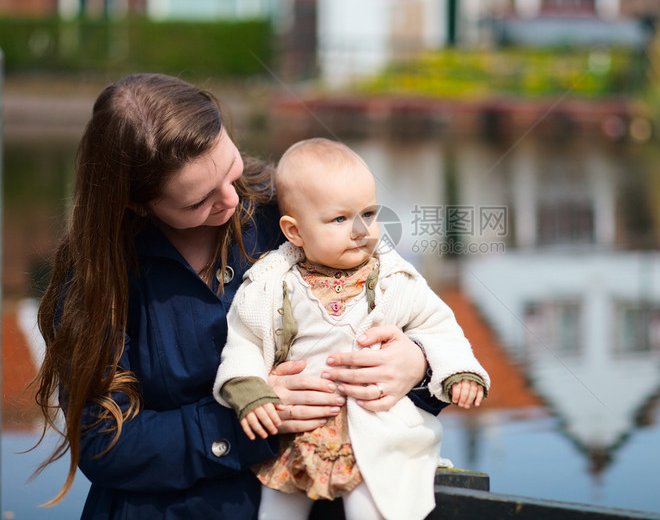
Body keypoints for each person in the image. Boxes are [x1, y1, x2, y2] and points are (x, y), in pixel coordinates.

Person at [33, 74, 440, 519]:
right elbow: (102, 443)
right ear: (136, 203)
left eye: (230, 170)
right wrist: (245, 419)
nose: (231, 200)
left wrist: (417, 364)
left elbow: (420, 316)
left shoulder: (294, 206)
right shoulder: (98, 276)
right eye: (198, 202)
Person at [213, 138, 490, 520]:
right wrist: (248, 387)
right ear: (294, 232)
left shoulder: (394, 279)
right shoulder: (271, 285)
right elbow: (243, 339)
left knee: (371, 504)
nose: (361, 230)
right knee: (277, 508)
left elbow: (437, 324)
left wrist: (457, 368)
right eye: (340, 219)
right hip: (298, 434)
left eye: (370, 214)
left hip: (373, 430)